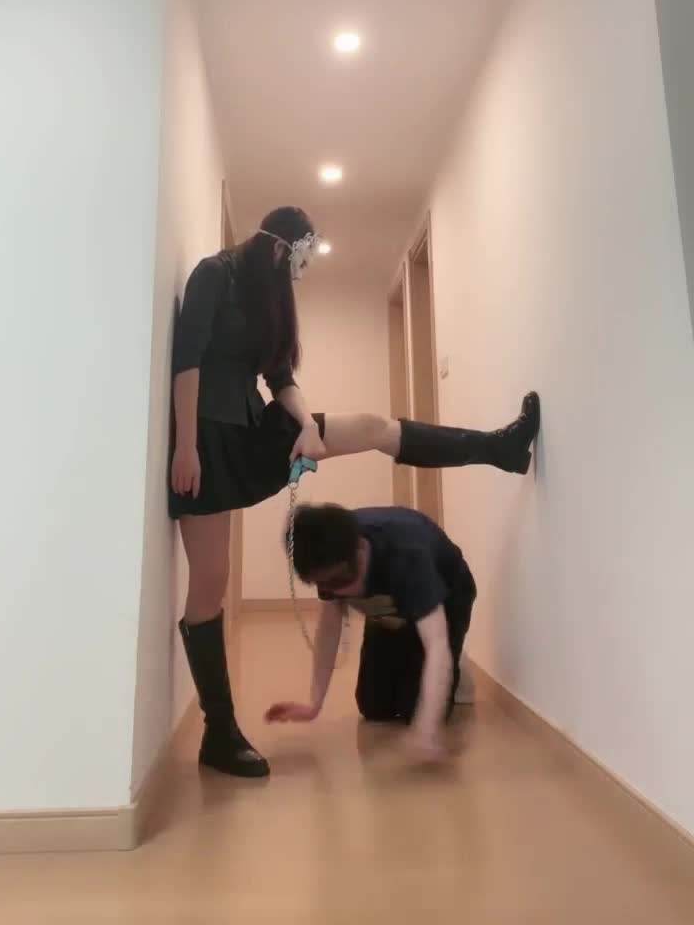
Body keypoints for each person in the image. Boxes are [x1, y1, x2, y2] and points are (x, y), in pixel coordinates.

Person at [170, 205, 539, 778]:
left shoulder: (269, 297)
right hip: (206, 441)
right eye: (297, 260)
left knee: (369, 427)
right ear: (279, 247)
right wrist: (186, 446)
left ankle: (500, 448)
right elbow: (187, 360)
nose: (296, 274)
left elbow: (279, 379)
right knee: (210, 584)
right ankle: (220, 732)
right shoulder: (214, 273)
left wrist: (308, 426)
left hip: (254, 430)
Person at [266, 503, 476, 765]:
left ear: (361, 549)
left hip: (446, 598)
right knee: (374, 707)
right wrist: (314, 704)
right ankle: (414, 652)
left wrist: (426, 731)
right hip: (386, 608)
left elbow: (436, 642)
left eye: (342, 579)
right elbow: (329, 628)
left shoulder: (407, 555)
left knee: (416, 710)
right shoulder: (325, 556)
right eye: (326, 584)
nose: (339, 591)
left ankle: (454, 663)